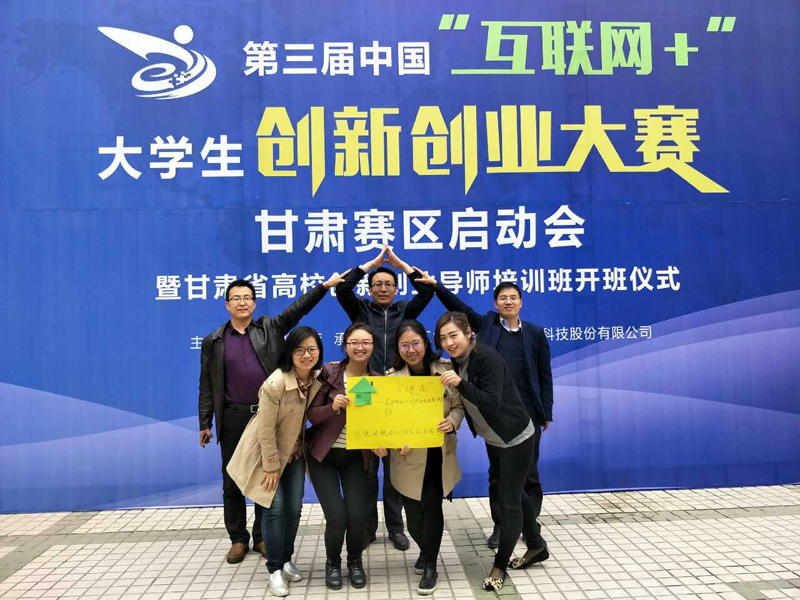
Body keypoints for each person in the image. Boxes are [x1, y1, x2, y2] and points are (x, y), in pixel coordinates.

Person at [198, 273, 344, 564]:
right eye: (236, 298)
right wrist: (205, 422)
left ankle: (262, 536)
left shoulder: (269, 328)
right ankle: (238, 539)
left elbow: (297, 309)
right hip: (234, 417)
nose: (242, 302)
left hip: (271, 416)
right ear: (227, 304)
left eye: (247, 298)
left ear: (254, 303)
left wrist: (323, 287)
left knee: (267, 479)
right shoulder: (213, 341)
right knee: (233, 480)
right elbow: (207, 383)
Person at [427, 278, 553, 559]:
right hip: (495, 425)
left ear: (521, 302)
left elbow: (544, 375)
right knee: (503, 483)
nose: (508, 301)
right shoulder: (486, 328)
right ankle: (516, 531)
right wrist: (435, 286)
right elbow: (457, 309)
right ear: (495, 304)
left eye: (513, 297)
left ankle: (520, 540)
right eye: (502, 298)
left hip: (519, 419)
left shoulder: (531, 335)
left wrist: (547, 410)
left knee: (523, 482)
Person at [336, 246, 435, 551]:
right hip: (365, 389)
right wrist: (372, 264)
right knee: (367, 467)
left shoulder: (406, 311)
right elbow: (342, 289)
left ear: (396, 289)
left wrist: (400, 264)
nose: (382, 288)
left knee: (394, 468)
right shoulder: (361, 311)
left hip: (397, 391)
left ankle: (396, 528)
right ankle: (368, 528)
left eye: (388, 284)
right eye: (377, 284)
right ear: (370, 289)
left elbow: (427, 291)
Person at [435, 312, 540, 592]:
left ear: (468, 332)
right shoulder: (456, 360)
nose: (449, 342)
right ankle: (537, 545)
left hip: (515, 437)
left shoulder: (487, 358)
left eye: (453, 335)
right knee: (514, 492)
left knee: (508, 502)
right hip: (494, 438)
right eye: (443, 338)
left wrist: (460, 384)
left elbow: (492, 402)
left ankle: (499, 567)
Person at [225, 327, 325, 596]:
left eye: (312, 349)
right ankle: (275, 569)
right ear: (289, 353)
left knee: (294, 508)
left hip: (295, 453)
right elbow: (265, 429)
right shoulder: (275, 383)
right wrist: (270, 465)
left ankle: (287, 558)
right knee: (274, 508)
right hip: (267, 454)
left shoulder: (316, 378)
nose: (306, 355)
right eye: (300, 350)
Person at [375, 320, 464, 596]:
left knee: (433, 508)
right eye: (405, 345)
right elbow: (385, 420)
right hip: (408, 457)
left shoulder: (445, 370)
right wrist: (392, 441)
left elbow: (459, 405)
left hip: (437, 454)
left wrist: (452, 421)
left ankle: (431, 566)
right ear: (398, 348)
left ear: (425, 344)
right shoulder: (391, 379)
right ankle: (426, 550)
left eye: (416, 343)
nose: (411, 350)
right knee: (413, 516)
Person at [305, 322, 377, 590]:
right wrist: (333, 407)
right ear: (345, 345)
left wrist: (382, 444)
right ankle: (332, 563)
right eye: (354, 342)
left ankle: (355, 562)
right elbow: (312, 414)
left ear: (373, 346)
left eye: (366, 342)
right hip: (323, 457)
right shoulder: (330, 372)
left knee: (358, 515)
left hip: (356, 458)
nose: (360, 347)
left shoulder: (378, 380)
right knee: (337, 517)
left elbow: (382, 423)